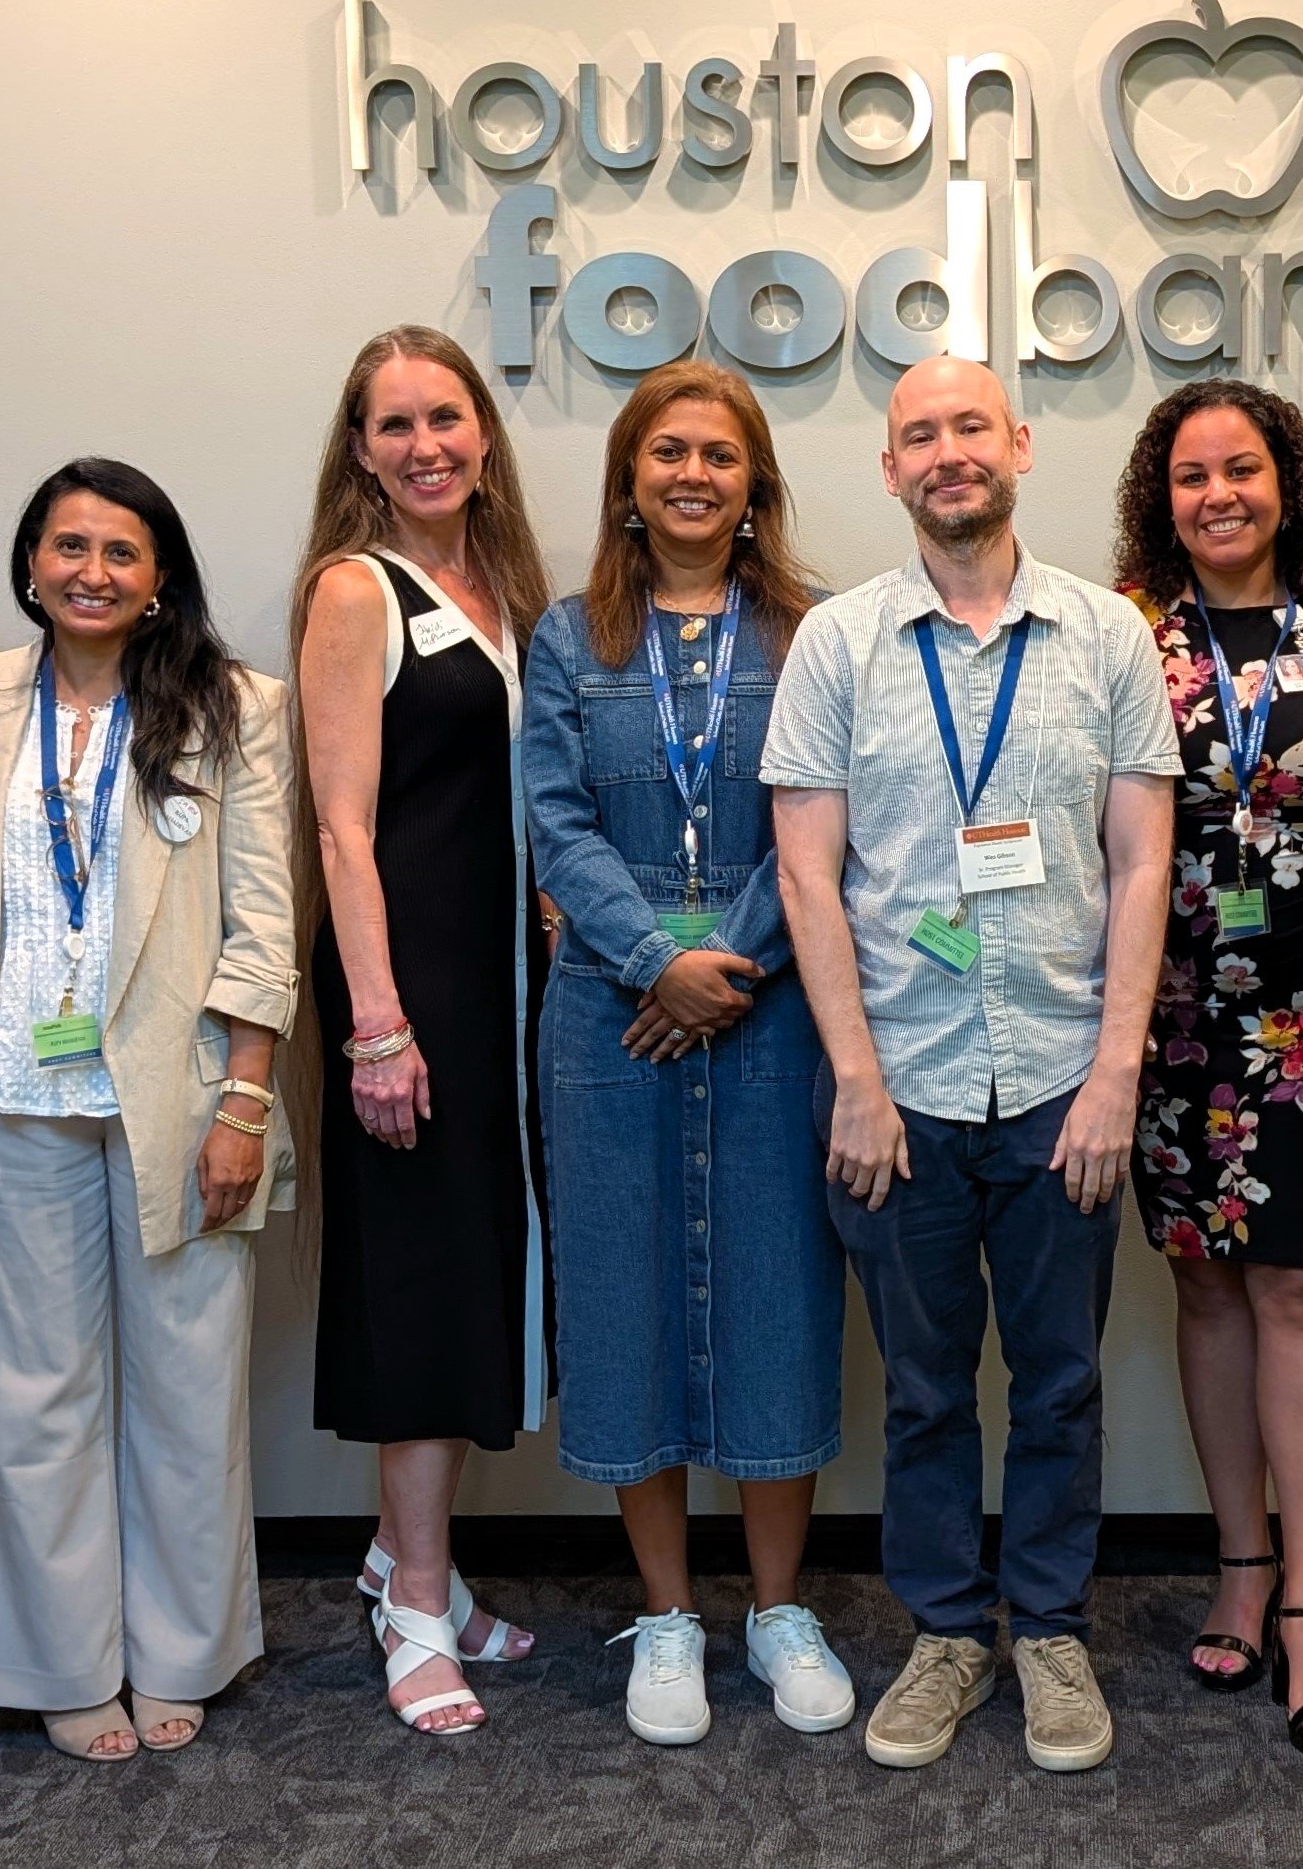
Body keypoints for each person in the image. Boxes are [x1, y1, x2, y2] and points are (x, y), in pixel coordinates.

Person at [763, 355, 1178, 1774]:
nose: (947, 453)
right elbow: (809, 881)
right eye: (915, 435)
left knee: (1057, 1378)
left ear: (1018, 444)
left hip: (1065, 1074)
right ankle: (947, 1630)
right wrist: (856, 1080)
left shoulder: (1106, 634)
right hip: (900, 1086)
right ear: (888, 470)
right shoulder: (837, 642)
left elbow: (1141, 865)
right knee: (927, 1384)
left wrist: (1116, 1070)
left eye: (967, 428)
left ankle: (1049, 1629)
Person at [0, 458, 297, 1764]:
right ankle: (54, 1661)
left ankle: (181, 1647)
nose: (90, 570)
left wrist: (246, 1099)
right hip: (10, 1095)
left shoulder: (236, 708)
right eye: (66, 545)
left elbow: (261, 925)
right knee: (29, 1401)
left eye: (120, 551)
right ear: (31, 564)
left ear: (159, 576)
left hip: (179, 1107)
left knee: (187, 1394)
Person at [523, 360, 853, 1747]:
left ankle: (777, 1608)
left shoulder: (814, 632)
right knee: (624, 1299)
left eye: (719, 453)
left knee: (777, 1293)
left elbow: (834, 809)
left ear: (754, 481)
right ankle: (666, 1612)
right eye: (668, 451)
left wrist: (727, 958)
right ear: (629, 476)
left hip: (776, 1000)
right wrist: (653, 959)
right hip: (611, 1011)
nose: (693, 474)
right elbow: (551, 817)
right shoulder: (565, 636)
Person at [1105, 379, 1303, 1758]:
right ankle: (1236, 1557)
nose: (1215, 494)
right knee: (1205, 1277)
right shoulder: (1120, 624)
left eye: (1240, 469)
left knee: (1302, 1283)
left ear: (1289, 479)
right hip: (1167, 1013)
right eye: (1189, 476)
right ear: (1158, 496)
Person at [291, 324, 549, 1735]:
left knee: (474, 1273)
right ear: (359, 450)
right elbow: (340, 819)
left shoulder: (500, 590)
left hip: (507, 986)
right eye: (393, 425)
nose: (424, 445)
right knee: (420, 1276)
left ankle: (419, 1567)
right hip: (414, 990)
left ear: (482, 435)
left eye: (445, 417)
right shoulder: (357, 588)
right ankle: (408, 1611)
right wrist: (375, 1024)